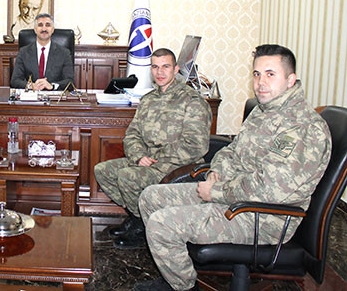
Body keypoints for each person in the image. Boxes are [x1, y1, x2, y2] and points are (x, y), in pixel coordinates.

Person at [134, 44, 332, 291]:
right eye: (257, 74)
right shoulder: (263, 111)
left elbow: (270, 190)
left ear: (290, 80)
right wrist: (216, 172)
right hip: (233, 196)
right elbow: (232, 150)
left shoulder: (302, 127)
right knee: (150, 197)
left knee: (162, 224)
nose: (261, 82)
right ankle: (176, 272)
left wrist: (216, 192)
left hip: (262, 217)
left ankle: (182, 287)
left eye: (270, 74)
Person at [94, 47, 212, 249]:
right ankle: (139, 218)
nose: (160, 72)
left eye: (165, 67)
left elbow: (196, 145)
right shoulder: (148, 99)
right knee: (103, 171)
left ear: (176, 69)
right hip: (147, 161)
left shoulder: (192, 101)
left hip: (177, 167)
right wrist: (139, 155)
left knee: (127, 177)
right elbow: (132, 134)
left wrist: (154, 155)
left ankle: (144, 229)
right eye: (155, 67)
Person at [10, 13, 74, 91]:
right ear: (35, 29)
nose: (44, 29)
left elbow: (70, 81)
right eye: (40, 25)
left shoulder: (64, 53)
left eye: (48, 25)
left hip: (53, 96)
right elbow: (15, 80)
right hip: (31, 96)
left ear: (53, 29)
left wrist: (52, 86)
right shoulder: (23, 52)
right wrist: (31, 86)